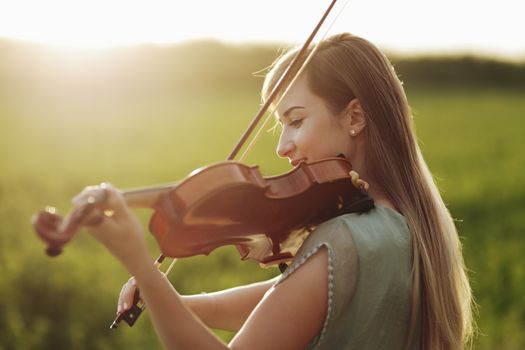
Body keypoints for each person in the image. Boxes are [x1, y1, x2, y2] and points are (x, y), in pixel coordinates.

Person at [69, 33, 475, 349]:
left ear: (354, 116)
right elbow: (287, 300)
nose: (282, 147)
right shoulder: (404, 226)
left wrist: (141, 265)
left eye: (295, 120)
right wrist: (172, 301)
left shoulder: (342, 238)